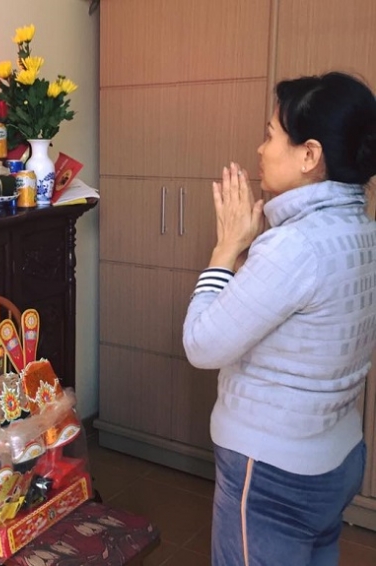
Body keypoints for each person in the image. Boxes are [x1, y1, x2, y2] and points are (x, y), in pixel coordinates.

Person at [182, 71, 376, 565]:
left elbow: (202, 345)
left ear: (309, 155)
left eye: (270, 135)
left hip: (274, 469)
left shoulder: (295, 247)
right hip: (338, 457)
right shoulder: (360, 230)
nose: (261, 149)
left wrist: (225, 249)